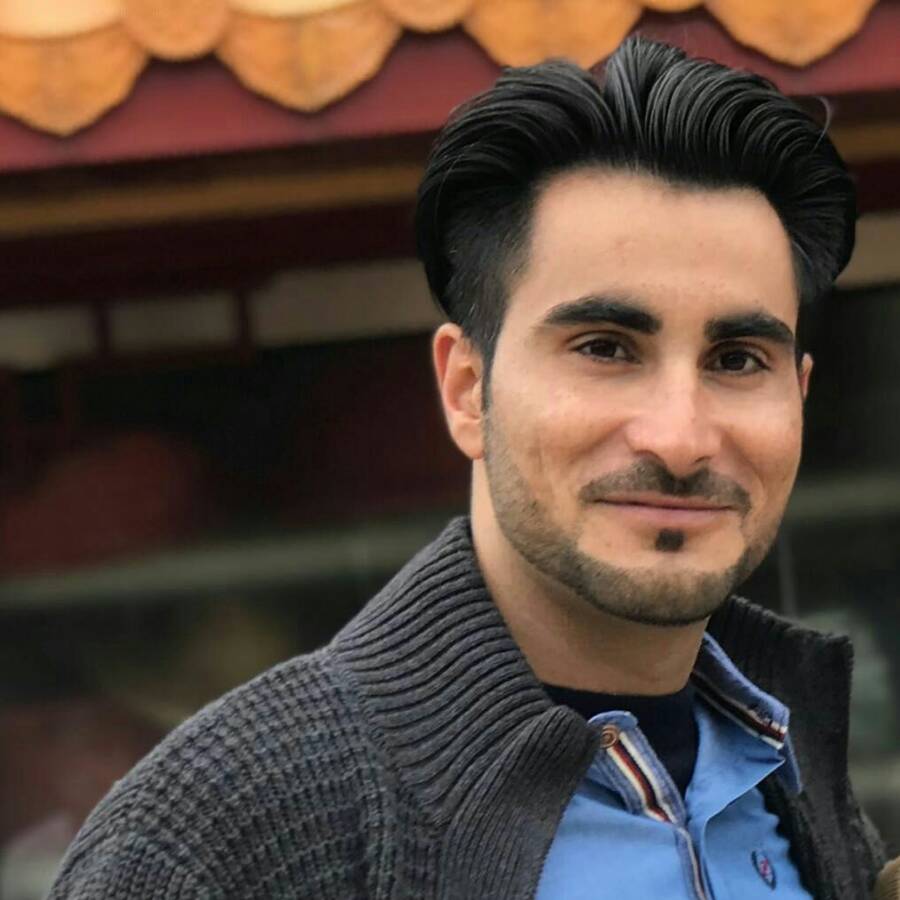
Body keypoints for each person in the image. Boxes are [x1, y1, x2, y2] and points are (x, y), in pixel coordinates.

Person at [49, 36, 888, 900]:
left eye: (738, 360)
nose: (680, 438)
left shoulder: (797, 782)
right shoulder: (219, 836)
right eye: (605, 348)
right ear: (465, 389)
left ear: (800, 395)